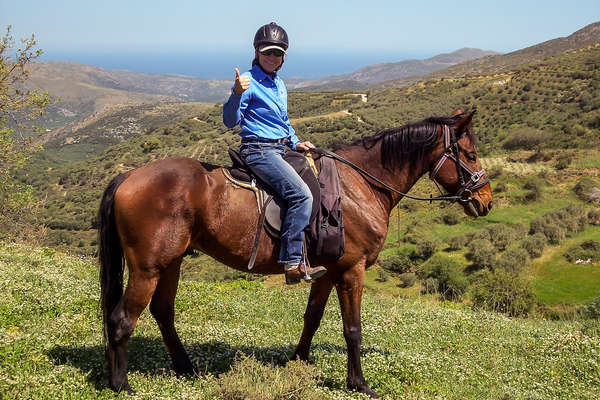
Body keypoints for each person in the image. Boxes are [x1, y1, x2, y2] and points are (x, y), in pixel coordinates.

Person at [222, 22, 327, 284]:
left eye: (277, 53)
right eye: (267, 52)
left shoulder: (279, 85)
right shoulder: (248, 82)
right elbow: (229, 120)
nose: (272, 57)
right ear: (257, 52)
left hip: (280, 147)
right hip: (259, 150)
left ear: (284, 57)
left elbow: (283, 120)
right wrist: (236, 94)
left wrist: (296, 141)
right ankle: (292, 262)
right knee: (301, 195)